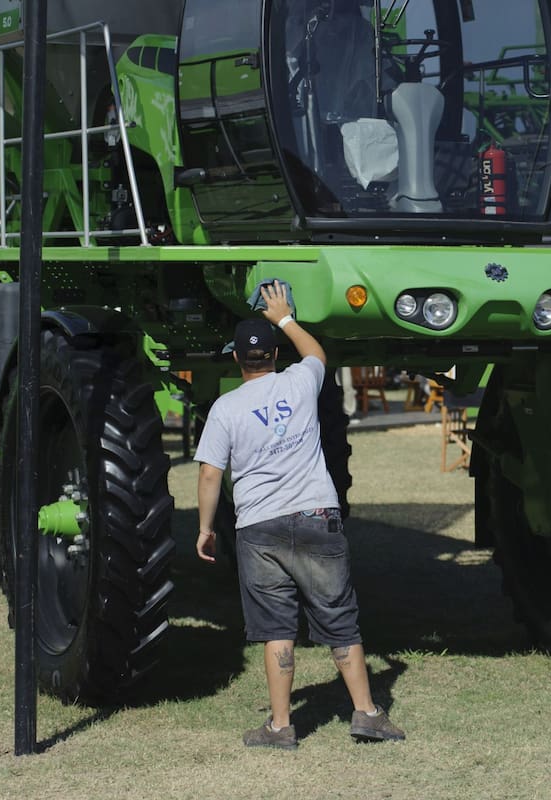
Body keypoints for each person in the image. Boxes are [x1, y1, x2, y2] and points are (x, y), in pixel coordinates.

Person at [194, 281, 405, 750]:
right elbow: (316, 353)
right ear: (274, 354)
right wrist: (284, 317)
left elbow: (210, 475)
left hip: (258, 527)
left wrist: (207, 528)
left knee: (276, 628)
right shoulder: (299, 381)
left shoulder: (225, 408)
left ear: (235, 360)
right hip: (316, 514)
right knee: (339, 619)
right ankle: (367, 714)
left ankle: (281, 725)